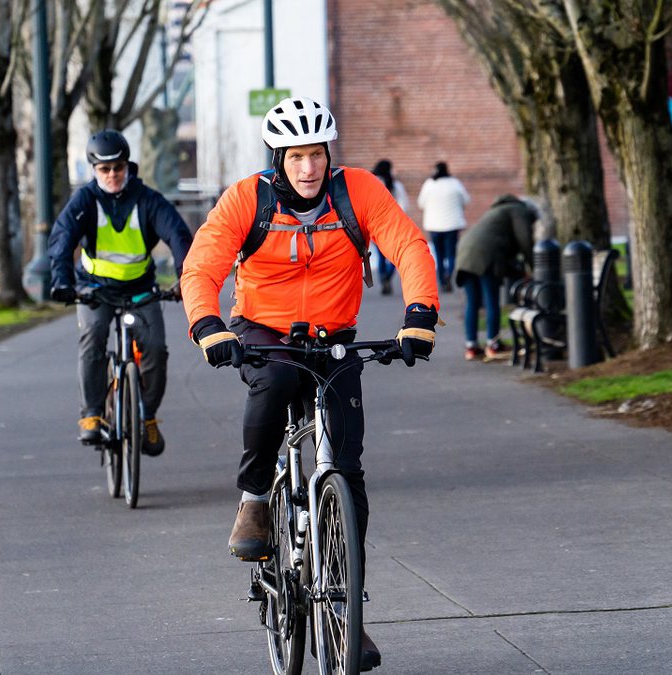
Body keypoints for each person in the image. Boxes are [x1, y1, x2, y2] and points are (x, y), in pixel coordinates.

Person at [180, 96, 438, 670]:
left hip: (335, 338)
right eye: (296, 155)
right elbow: (203, 264)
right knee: (270, 383)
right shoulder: (248, 199)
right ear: (279, 157)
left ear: (329, 154)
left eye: (316, 154)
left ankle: (349, 616)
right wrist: (208, 325)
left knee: (347, 471)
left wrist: (419, 314)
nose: (307, 167)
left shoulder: (358, 192)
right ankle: (254, 500)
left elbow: (409, 245)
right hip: (262, 331)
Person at [48, 129, 193, 454]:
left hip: (140, 290)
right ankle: (92, 415)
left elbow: (179, 236)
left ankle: (148, 416)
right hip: (94, 290)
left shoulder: (147, 200)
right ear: (94, 170)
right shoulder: (84, 201)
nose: (113, 175)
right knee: (93, 336)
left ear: (128, 166)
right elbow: (62, 239)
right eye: (105, 169)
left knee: (155, 349)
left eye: (118, 168)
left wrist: (186, 277)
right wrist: (61, 281)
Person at [454, 194, 539, 361]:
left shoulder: (497, 210)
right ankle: (493, 345)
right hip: (487, 256)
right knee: (491, 300)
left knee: (473, 302)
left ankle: (471, 347)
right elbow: (525, 239)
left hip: (464, 254)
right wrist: (533, 265)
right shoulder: (519, 210)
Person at [417, 161, 470, 292]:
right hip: (452, 225)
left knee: (439, 255)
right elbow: (466, 200)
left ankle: (442, 280)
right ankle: (448, 274)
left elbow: (421, 203)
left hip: (434, 225)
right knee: (451, 254)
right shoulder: (455, 183)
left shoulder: (429, 184)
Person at [370, 160, 409, 296]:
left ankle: (383, 279)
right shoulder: (396, 186)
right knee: (393, 256)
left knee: (380, 256)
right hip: (393, 226)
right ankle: (387, 275)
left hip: (374, 225)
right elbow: (404, 205)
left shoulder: (371, 182)